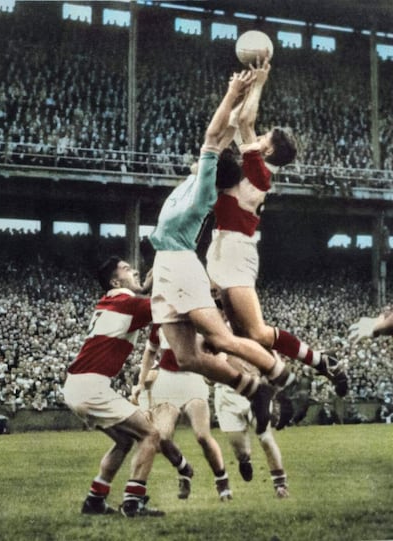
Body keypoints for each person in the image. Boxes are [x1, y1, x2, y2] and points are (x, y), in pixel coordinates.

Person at [150, 69, 295, 436]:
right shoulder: (195, 180)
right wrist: (242, 97)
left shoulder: (203, 190)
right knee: (187, 356)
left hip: (181, 266)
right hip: (165, 264)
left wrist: (232, 92)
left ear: (213, 174)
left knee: (222, 339)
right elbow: (230, 128)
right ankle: (251, 388)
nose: (198, 161)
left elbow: (216, 134)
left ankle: (282, 380)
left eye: (205, 162)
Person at [205, 55, 348, 399]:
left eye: (264, 136)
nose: (260, 134)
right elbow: (243, 123)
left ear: (269, 147)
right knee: (242, 336)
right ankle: (278, 385)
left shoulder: (260, 171)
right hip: (223, 245)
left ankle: (318, 365)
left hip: (236, 250)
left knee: (256, 332)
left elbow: (245, 120)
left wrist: (259, 83)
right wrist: (247, 88)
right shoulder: (254, 166)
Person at [63, 256, 184, 518]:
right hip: (90, 386)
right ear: (115, 281)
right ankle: (133, 502)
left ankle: (95, 500)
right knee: (151, 434)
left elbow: (147, 302)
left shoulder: (115, 302)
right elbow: (166, 308)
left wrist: (149, 283)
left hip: (77, 386)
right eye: (128, 269)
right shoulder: (125, 302)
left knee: (124, 440)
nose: (136, 270)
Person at [131, 326, 233, 502]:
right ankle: (184, 469)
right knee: (161, 437)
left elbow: (220, 350)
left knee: (202, 435)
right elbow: (150, 351)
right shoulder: (161, 320)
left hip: (193, 381)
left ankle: (221, 480)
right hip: (167, 382)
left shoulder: (198, 318)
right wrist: (141, 382)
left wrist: (216, 369)